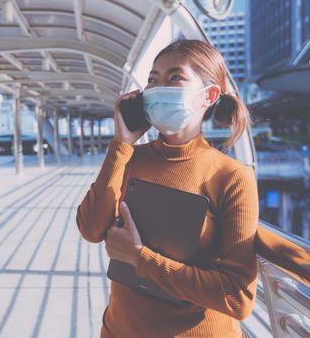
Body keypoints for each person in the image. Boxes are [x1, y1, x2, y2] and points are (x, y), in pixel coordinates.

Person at [76, 39, 309, 338]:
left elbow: (237, 297)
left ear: (209, 95)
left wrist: (139, 257)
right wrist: (120, 145)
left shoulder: (230, 176)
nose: (158, 87)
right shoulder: (129, 158)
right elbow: (91, 228)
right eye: (152, 79)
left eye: (175, 78)